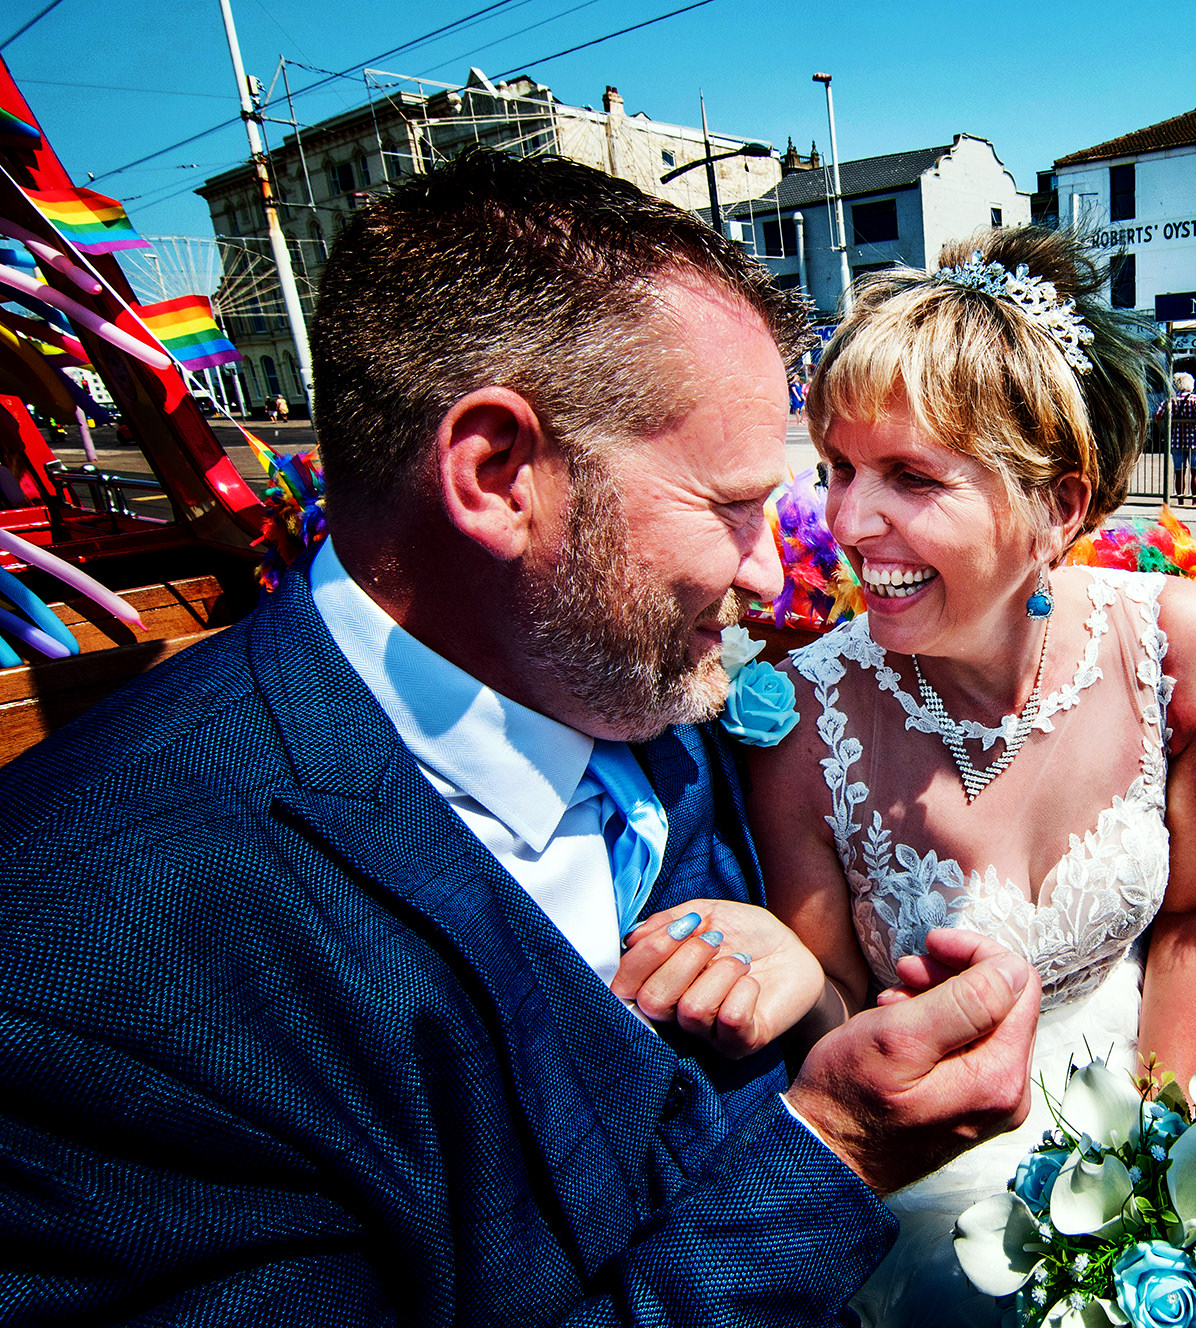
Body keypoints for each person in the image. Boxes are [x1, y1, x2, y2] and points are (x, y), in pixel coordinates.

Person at [0, 150, 1042, 1325]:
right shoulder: (76, 974)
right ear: (498, 474)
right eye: (734, 505)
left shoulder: (621, 674)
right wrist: (837, 1152)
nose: (772, 569)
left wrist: (801, 983)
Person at [640, 229, 1196, 1326]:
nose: (844, 521)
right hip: (937, 1168)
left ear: (1059, 506)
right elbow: (836, 998)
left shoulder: (1180, 644)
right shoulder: (794, 719)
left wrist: (1146, 1153)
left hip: (1162, 1080)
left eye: (910, 477)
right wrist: (802, 985)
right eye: (834, 469)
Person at [1152, 370, 1196, 503]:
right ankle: (1195, 501)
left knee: (1179, 473)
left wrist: (1167, 426)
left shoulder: (1171, 400)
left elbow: (1157, 415)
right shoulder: (1194, 398)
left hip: (1177, 442)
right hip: (1194, 441)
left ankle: (1180, 500)